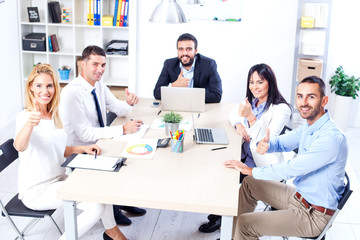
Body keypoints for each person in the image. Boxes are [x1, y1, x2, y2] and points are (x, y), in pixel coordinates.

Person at [224, 76, 348, 240]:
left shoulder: (330, 138)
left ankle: (240, 233)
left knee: (246, 224)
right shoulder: (310, 126)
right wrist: (269, 144)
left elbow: (291, 169)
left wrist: (251, 170)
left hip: (313, 215)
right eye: (299, 96)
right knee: (249, 184)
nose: (303, 102)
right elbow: (282, 142)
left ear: (324, 100)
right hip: (299, 197)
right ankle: (234, 236)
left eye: (311, 97)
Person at [14, 64, 127, 240]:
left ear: (55, 88)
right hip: (37, 191)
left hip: (61, 179)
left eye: (49, 85)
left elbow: (57, 149)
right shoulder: (25, 117)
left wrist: (81, 149)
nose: (45, 91)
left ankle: (113, 233)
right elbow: (19, 146)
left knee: (101, 187)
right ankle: (113, 234)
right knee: (96, 206)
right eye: (39, 85)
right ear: (30, 87)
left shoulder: (55, 116)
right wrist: (30, 124)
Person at [198, 63, 291, 233]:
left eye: (260, 82)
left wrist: (249, 116)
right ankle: (222, 216)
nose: (254, 87)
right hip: (245, 157)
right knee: (218, 170)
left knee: (227, 182)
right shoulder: (252, 102)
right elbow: (232, 112)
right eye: (251, 82)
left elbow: (266, 143)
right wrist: (238, 124)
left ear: (270, 83)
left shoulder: (281, 109)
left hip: (262, 164)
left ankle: (228, 227)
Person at [59, 45, 146, 226]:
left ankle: (121, 201)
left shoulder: (99, 85)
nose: (100, 70)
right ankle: (112, 210)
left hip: (100, 142)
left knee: (131, 159)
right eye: (95, 64)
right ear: (83, 64)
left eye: (103, 65)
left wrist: (128, 104)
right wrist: (122, 129)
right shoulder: (71, 93)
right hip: (81, 151)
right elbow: (84, 133)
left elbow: (117, 107)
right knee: (121, 160)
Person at [153, 33, 222, 103]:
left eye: (189, 49)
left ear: (195, 51)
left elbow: (217, 96)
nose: (184, 53)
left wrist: (187, 95)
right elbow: (156, 93)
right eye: (181, 49)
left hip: (198, 106)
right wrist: (173, 86)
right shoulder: (169, 64)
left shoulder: (208, 64)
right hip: (176, 105)